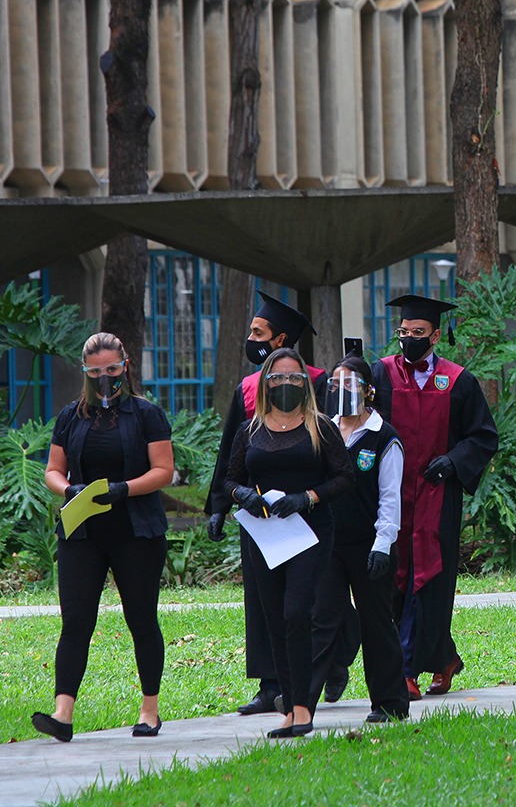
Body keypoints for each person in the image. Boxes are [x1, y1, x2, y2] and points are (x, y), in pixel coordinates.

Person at [205, 293, 377, 715]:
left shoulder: (317, 383)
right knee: (267, 605)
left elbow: (339, 451)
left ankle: (331, 663)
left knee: (311, 603)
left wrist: (312, 499)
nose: (250, 339)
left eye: (258, 332)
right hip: (263, 521)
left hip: (311, 518)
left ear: (281, 339)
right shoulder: (250, 389)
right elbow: (231, 455)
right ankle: (271, 685)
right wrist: (221, 504)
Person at [32, 333, 175, 743]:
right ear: (84, 371)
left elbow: (163, 470)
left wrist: (123, 489)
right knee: (76, 621)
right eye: (95, 371)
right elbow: (52, 470)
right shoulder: (71, 416)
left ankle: (149, 710)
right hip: (82, 532)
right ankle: (62, 714)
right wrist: (68, 489)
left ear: (125, 366)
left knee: (141, 618)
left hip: (136, 530)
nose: (104, 378)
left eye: (112, 369)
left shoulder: (146, 414)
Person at [224, 347, 353, 739]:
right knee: (276, 619)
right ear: (265, 383)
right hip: (265, 536)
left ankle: (303, 706)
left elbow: (344, 477)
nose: (286, 384)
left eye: (294, 378)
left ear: (305, 383)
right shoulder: (250, 430)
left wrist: (307, 498)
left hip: (309, 531)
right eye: (277, 378)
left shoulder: (321, 427)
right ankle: (289, 705)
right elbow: (230, 479)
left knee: (297, 612)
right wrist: (242, 496)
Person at [381, 295, 499, 699]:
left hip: (437, 496)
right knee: (394, 580)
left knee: (428, 579)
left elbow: (483, 436)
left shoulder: (458, 380)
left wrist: (452, 461)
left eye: (418, 332)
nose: (409, 339)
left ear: (435, 335)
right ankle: (444, 658)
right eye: (404, 332)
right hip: (392, 496)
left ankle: (407, 670)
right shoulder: (382, 375)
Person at [305, 354, 408, 725]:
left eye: (350, 384)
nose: (342, 390)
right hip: (329, 543)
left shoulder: (384, 437)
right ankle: (302, 703)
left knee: (376, 621)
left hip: (370, 544)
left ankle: (390, 702)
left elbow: (390, 498)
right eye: (336, 384)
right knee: (320, 619)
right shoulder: (323, 430)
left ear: (368, 390)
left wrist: (383, 544)